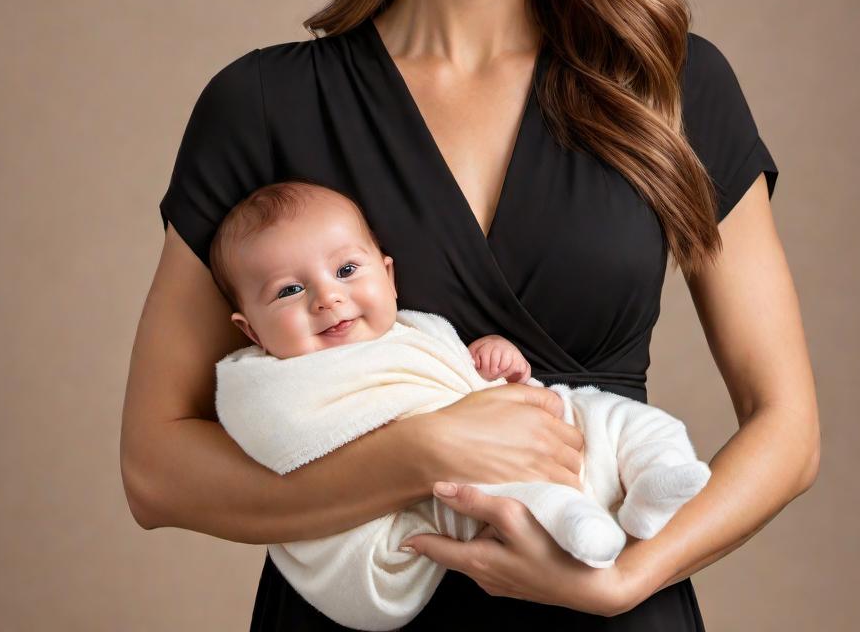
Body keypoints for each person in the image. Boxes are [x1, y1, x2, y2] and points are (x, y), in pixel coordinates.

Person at [120, 0, 820, 631]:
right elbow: (155, 469)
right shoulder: (261, 107)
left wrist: (628, 577)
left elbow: (788, 430)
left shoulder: (670, 85)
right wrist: (421, 452)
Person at [209, 178, 712, 629]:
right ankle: (582, 527)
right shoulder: (273, 385)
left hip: (542, 433)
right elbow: (297, 439)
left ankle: (655, 478)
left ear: (387, 275)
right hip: (446, 490)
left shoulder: (413, 330)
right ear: (250, 329)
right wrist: (442, 439)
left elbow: (458, 378)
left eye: (345, 269)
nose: (326, 297)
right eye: (290, 290)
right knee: (499, 487)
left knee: (616, 415)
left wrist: (493, 361)